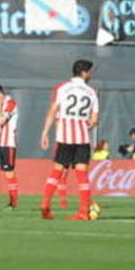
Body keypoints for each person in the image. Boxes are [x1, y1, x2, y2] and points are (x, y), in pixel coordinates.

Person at [39, 59, 100, 220]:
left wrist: (45, 133)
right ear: (85, 72)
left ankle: (45, 204)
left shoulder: (63, 88)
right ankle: (83, 212)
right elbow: (94, 120)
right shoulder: (92, 92)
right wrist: (86, 123)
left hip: (64, 136)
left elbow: (53, 110)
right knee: (82, 174)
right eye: (90, 71)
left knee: (56, 171)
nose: (91, 74)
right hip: (82, 138)